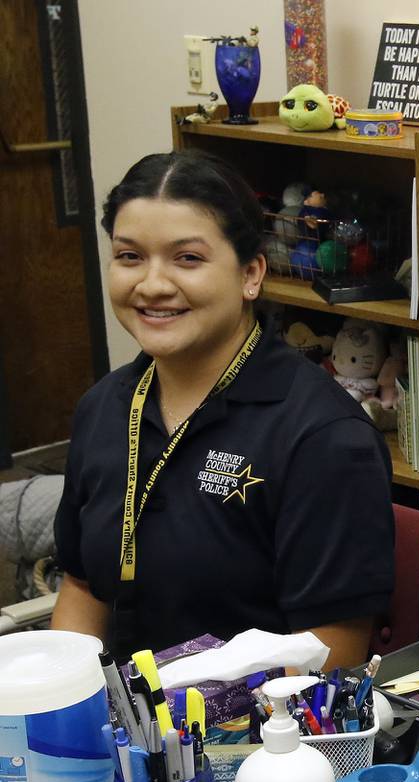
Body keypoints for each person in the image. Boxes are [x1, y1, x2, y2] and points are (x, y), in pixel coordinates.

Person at [52, 150, 395, 670]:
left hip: (256, 736)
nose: (152, 284)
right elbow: (83, 585)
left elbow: (332, 654)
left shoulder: (323, 436)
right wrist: (64, 707)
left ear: (250, 274)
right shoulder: (103, 409)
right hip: (123, 729)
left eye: (187, 258)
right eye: (129, 256)